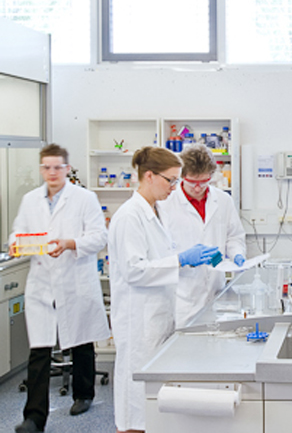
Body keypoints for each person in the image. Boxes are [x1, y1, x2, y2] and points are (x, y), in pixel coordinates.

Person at [108, 147, 220, 433]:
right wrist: (180, 260)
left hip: (158, 316)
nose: (174, 187)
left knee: (153, 406)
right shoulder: (129, 217)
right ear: (149, 176)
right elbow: (134, 270)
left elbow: (159, 259)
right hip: (139, 322)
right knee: (135, 408)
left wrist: (185, 259)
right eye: (170, 180)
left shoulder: (156, 212)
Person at [10, 144, 109, 433]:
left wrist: (70, 244)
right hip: (42, 282)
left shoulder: (84, 198)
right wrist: (16, 242)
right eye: (46, 167)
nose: (52, 172)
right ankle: (34, 418)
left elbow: (99, 237)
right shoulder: (30, 200)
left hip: (75, 278)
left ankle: (84, 394)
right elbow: (19, 230)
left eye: (57, 167)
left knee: (80, 340)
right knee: (39, 349)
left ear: (67, 168)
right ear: (41, 169)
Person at [158, 144, 246, 328]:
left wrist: (237, 254)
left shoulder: (223, 200)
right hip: (181, 297)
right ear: (182, 176)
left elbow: (234, 236)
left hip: (216, 291)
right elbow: (159, 250)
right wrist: (182, 259)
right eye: (192, 182)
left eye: (204, 182)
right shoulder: (166, 204)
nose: (198, 188)